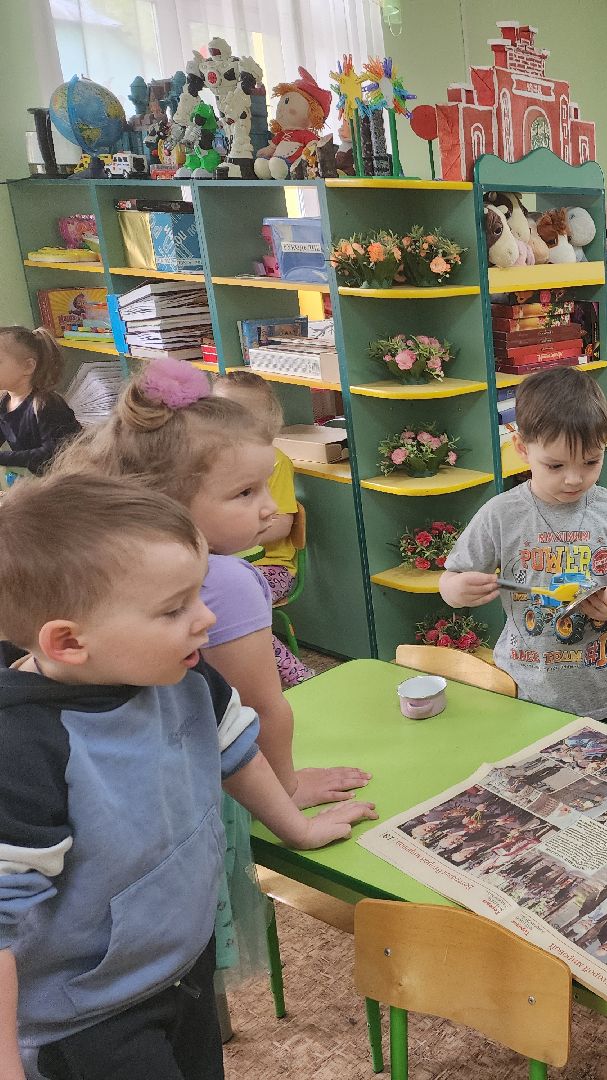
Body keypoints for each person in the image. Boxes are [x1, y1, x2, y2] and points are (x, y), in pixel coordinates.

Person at [0, 474, 374, 1080]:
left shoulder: (188, 677)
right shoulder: (24, 747)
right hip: (88, 1020)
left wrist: (295, 827)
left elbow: (236, 755)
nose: (205, 619)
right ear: (69, 641)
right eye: (174, 608)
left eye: (198, 594)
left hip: (183, 968)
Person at [50, 360, 370, 988]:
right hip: (200, 803)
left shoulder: (95, 563)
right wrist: (288, 788)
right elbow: (260, 707)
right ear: (169, 500)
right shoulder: (223, 579)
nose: (269, 510)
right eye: (245, 494)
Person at [440, 367, 607, 730]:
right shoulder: (501, 514)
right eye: (554, 465)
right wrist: (456, 590)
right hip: (524, 689)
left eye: (591, 461)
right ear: (523, 449)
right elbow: (452, 579)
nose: (574, 478)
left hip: (602, 691)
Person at [211, 370, 314, 687]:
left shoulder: (274, 461)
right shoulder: (210, 460)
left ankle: (301, 678)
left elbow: (282, 525)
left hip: (272, 567)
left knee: (232, 610)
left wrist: (229, 539)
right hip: (226, 566)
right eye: (218, 411)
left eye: (240, 416)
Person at [0, 325, 80, 476]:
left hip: (76, 477)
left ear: (28, 366)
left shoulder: (46, 404)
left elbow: (50, 453)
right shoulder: (5, 403)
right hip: (48, 479)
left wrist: (4, 458)